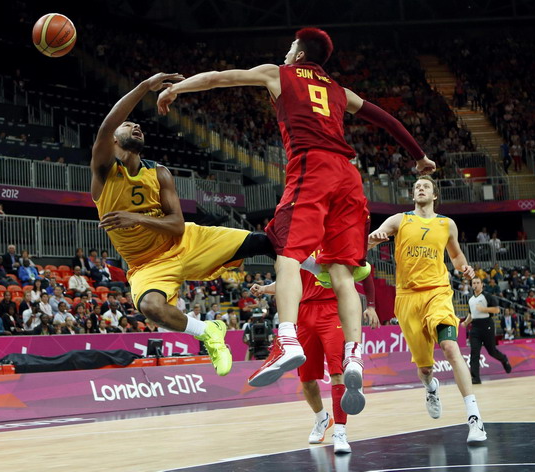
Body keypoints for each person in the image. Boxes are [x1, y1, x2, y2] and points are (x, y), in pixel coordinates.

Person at [157, 28, 435, 404]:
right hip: (349, 177)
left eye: (290, 48)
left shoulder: (279, 73)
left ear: (300, 54)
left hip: (313, 166)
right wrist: (419, 157)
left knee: (286, 253)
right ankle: (354, 355)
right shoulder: (339, 90)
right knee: (342, 273)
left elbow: (220, 79)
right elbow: (387, 120)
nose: (285, 53)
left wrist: (177, 89)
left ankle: (286, 340)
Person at [91, 72, 280, 377]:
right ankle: (208, 331)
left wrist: (135, 218)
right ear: (114, 139)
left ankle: (315, 273)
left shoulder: (160, 173)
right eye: (129, 125)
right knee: (150, 307)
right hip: (146, 264)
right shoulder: (103, 172)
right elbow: (107, 125)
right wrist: (143, 86)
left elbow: (177, 225)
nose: (136, 125)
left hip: (184, 242)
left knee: (263, 242)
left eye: (138, 125)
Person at [368, 175, 487, 443]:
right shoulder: (399, 220)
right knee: (425, 368)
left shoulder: (447, 224)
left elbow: (456, 256)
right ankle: (430, 386)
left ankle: (474, 418)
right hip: (407, 298)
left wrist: (463, 267)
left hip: (438, 293)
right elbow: (369, 242)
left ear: (434, 196)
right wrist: (375, 238)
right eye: (417, 187)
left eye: (426, 187)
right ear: (413, 195)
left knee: (450, 348)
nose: (420, 189)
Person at [251, 257, 378, 454]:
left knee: (338, 374)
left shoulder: (336, 242)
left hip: (333, 309)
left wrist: (371, 305)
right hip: (305, 312)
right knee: (307, 378)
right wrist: (265, 288)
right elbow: (289, 281)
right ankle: (322, 418)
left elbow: (366, 270)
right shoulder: (300, 245)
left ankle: (340, 431)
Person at [463, 277, 512, 384]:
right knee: (474, 352)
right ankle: (475, 378)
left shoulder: (487, 296)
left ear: (481, 285)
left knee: (492, 351)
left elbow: (497, 309)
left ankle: (504, 359)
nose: (475, 284)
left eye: (477, 283)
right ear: (472, 285)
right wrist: (465, 323)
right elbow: (471, 314)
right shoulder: (470, 299)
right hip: (475, 326)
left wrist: (484, 309)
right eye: (474, 283)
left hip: (487, 325)